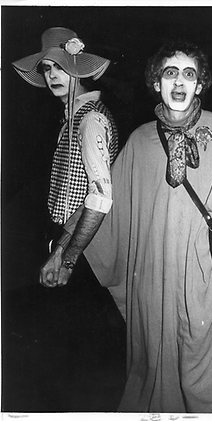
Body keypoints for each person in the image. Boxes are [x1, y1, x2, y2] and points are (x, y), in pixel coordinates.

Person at [41, 40, 212, 413]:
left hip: (204, 281)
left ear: (200, 85)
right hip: (151, 285)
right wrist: (63, 252)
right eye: (170, 73)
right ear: (157, 83)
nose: (180, 82)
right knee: (154, 373)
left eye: (189, 74)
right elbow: (106, 204)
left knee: (205, 378)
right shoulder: (140, 141)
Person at [12, 27, 119, 288]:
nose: (51, 76)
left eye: (59, 67)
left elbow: (100, 198)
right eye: (47, 68)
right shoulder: (71, 116)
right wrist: (59, 248)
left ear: (78, 69)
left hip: (86, 252)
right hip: (67, 239)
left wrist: (68, 259)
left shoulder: (91, 119)